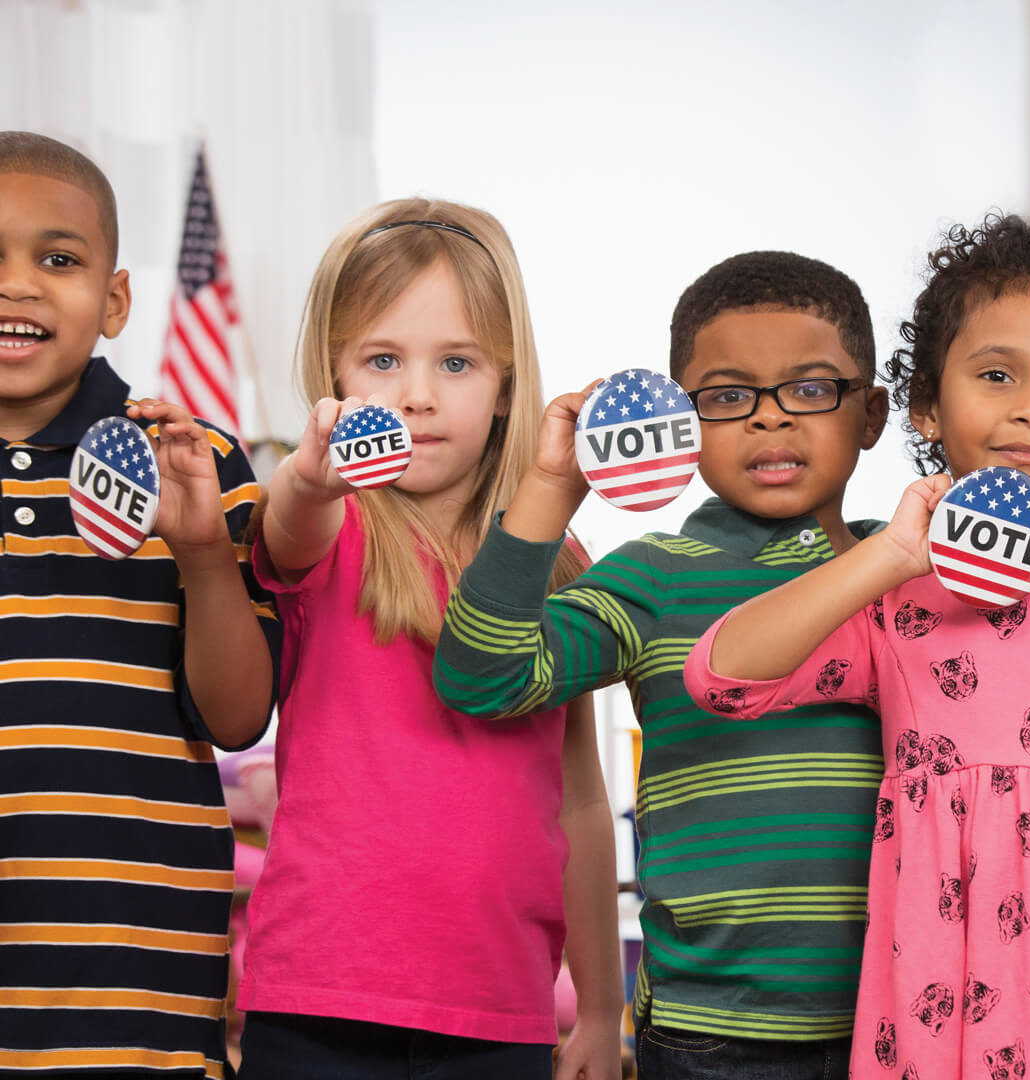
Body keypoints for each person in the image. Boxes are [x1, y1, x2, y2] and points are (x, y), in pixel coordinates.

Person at [684, 213, 1030, 1079]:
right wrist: (888, 556)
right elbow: (723, 675)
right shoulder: (897, 603)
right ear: (926, 405)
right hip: (936, 1024)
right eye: (997, 375)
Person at [434, 250, 889, 1079]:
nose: (769, 419)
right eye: (727, 397)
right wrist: (550, 484)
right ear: (682, 420)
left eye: (811, 389)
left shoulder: (909, 575)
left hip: (902, 1019)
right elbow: (482, 677)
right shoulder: (658, 575)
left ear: (873, 415)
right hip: (710, 1032)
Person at [238, 200, 620, 1079]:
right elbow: (288, 526)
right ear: (333, 377)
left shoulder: (560, 559)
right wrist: (307, 476)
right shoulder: (333, 523)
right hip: (317, 998)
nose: (417, 393)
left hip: (500, 1008)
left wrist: (599, 1008)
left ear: (506, 382)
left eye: (456, 361)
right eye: (382, 360)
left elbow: (580, 800)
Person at [0, 130, 278, 1078]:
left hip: (136, 998)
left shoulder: (196, 467)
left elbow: (239, 719)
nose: (18, 284)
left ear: (115, 300)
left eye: (58, 258)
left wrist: (200, 551)